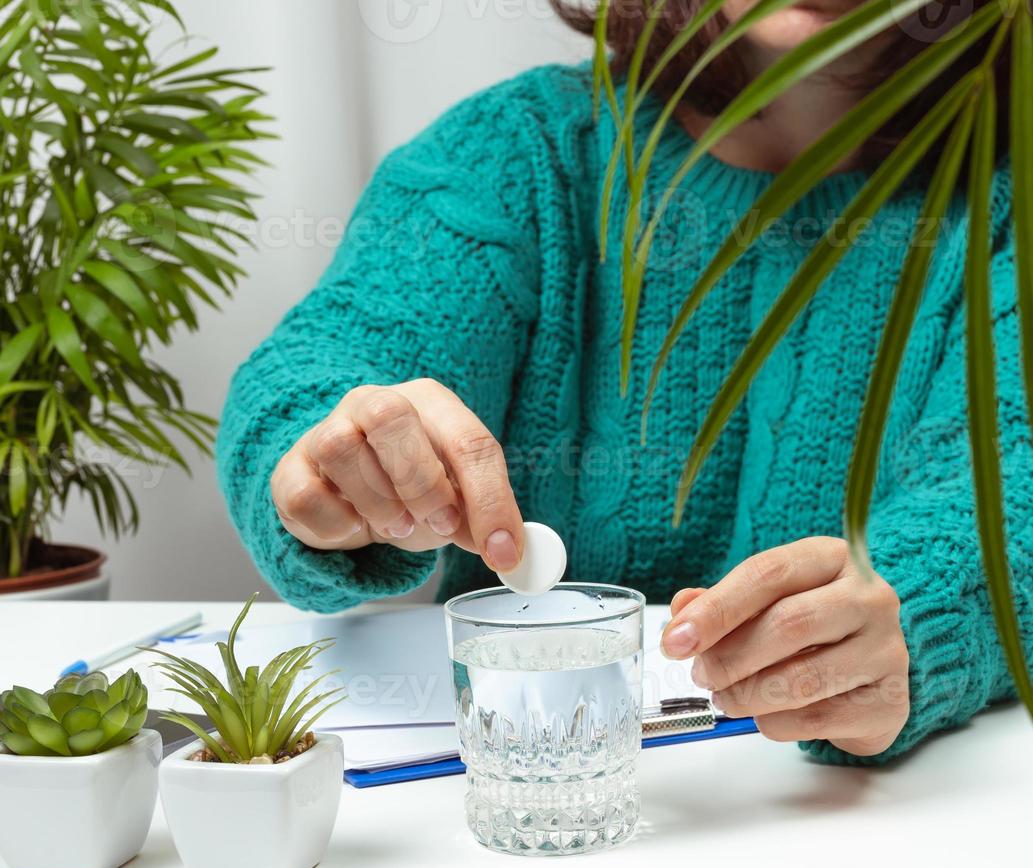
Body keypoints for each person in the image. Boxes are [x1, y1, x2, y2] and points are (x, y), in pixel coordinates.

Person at [216, 0, 1031, 765]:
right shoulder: (519, 152)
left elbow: (1011, 485)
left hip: (840, 826)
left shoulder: (1001, 193)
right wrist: (330, 460)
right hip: (519, 789)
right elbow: (321, 365)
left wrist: (920, 608)